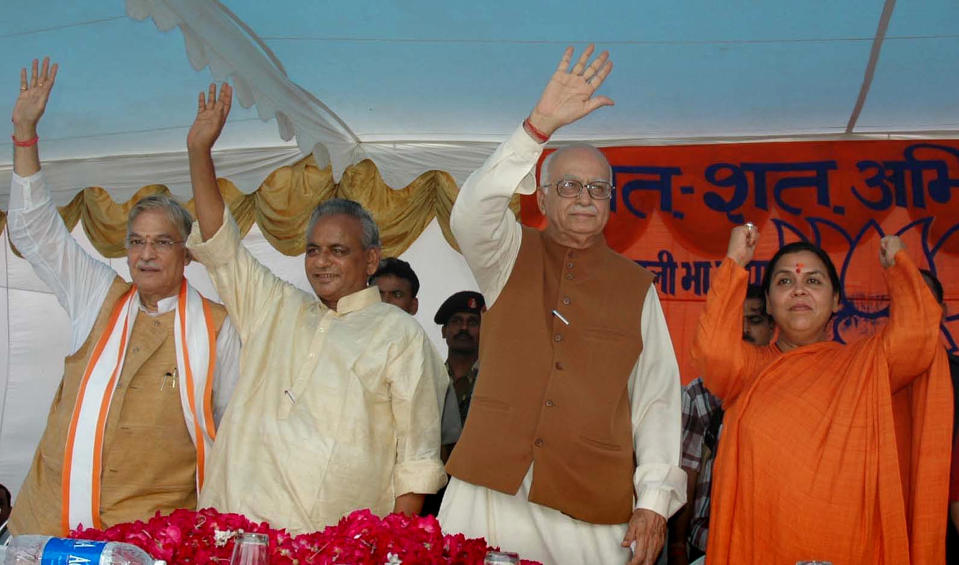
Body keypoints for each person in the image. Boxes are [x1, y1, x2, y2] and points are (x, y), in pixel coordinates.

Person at [437, 46, 685, 565]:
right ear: (542, 199)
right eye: (569, 185)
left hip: (590, 506)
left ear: (611, 204)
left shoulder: (637, 286)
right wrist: (538, 127)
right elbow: (470, 213)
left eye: (598, 188)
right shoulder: (508, 251)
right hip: (489, 491)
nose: (584, 198)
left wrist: (655, 501)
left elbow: (657, 399)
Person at [185, 83, 448, 533]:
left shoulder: (398, 333)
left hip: (328, 543)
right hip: (231, 530)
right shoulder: (275, 307)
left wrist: (393, 547)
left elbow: (418, 456)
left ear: (369, 259)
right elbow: (221, 244)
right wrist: (198, 151)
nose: (322, 261)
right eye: (312, 250)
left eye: (337, 250)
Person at [7, 58, 240, 536]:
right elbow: (36, 231)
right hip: (48, 523)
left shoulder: (219, 327)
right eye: (136, 241)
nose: (146, 254)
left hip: (147, 538)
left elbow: (235, 436)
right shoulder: (98, 294)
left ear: (188, 253)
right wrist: (25, 135)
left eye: (161, 242)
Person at [691, 225, 952, 564]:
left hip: (850, 548)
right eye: (785, 282)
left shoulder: (868, 364)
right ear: (768, 303)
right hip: (761, 547)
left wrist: (899, 265)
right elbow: (711, 350)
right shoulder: (746, 370)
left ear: (836, 300)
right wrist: (735, 261)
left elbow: (919, 335)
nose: (799, 291)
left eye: (813, 281)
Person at [667, 285, 773, 565]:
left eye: (755, 319)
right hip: (709, 544)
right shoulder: (699, 393)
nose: (744, 329)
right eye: (735, 322)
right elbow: (686, 474)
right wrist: (677, 546)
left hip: (773, 544)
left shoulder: (788, 385)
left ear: (774, 325)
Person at [918, 269, 959, 561]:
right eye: (905, 299)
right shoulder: (872, 375)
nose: (916, 306)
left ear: (943, 310)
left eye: (924, 298)